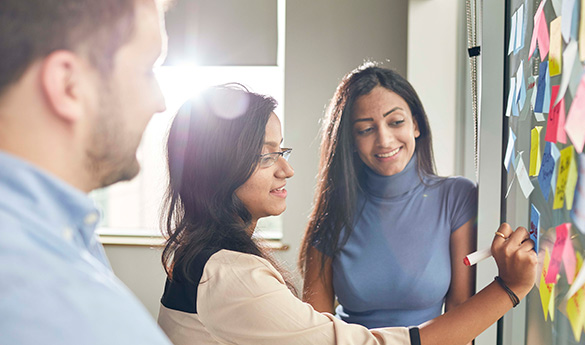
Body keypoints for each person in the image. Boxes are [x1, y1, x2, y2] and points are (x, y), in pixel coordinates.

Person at [157, 84, 538, 345]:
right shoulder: (231, 276)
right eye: (265, 156)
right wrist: (509, 288)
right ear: (220, 168)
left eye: (281, 152)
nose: (286, 170)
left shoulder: (208, 261)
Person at [0, 0, 171, 343]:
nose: (160, 101)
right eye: (147, 70)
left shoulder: (65, 230)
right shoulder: (62, 311)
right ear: (69, 85)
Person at [300, 63, 479, 329]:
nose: (384, 139)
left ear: (415, 125)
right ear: (350, 139)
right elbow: (315, 330)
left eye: (395, 122)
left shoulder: (457, 198)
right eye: (365, 129)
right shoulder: (332, 213)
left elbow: (461, 315)